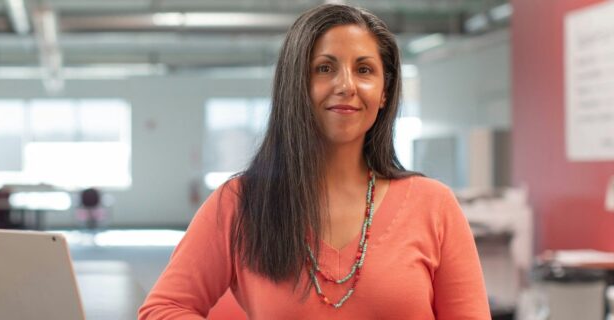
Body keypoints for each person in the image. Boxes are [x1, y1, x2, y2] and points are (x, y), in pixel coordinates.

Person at [139, 4, 490, 319]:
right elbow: (163, 309)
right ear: (297, 85)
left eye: (364, 70)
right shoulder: (240, 203)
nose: (346, 85)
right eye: (324, 68)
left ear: (384, 92)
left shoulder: (434, 205)